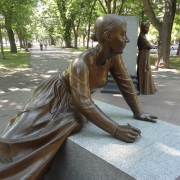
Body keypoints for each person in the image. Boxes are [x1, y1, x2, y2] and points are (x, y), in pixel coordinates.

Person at [0, 14, 157, 180]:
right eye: (122, 34)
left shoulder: (114, 58)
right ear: (108, 36)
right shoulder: (81, 63)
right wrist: (115, 129)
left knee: (71, 121)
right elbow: (83, 102)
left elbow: (126, 84)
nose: (127, 39)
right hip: (53, 96)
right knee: (19, 135)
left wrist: (138, 113)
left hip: (76, 101)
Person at [137, 22, 157, 95]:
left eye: (148, 28)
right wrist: (150, 45)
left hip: (145, 55)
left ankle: (148, 88)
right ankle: (144, 89)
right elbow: (150, 46)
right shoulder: (142, 37)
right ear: (142, 28)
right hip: (143, 56)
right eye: (146, 27)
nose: (147, 29)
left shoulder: (144, 37)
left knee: (147, 71)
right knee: (144, 71)